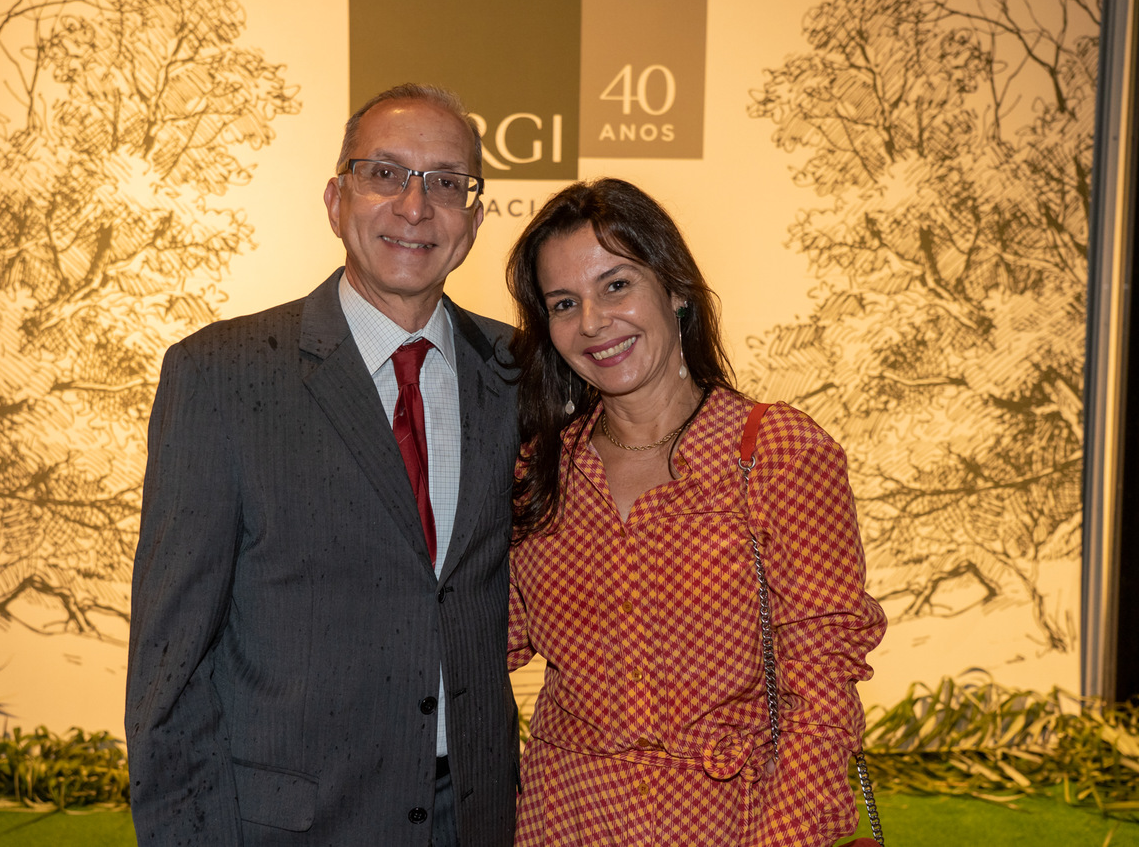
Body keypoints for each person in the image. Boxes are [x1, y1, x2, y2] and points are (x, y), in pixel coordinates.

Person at [126, 83, 520, 847]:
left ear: (473, 220)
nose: (415, 206)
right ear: (336, 199)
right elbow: (168, 669)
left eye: (446, 182)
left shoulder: (515, 373)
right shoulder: (220, 375)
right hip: (292, 826)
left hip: (471, 818)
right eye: (385, 173)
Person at [505, 178, 887, 845]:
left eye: (616, 284)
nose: (593, 321)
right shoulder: (541, 470)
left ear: (676, 290)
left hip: (731, 822)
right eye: (565, 302)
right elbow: (481, 638)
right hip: (562, 818)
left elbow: (820, 690)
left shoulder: (776, 453)